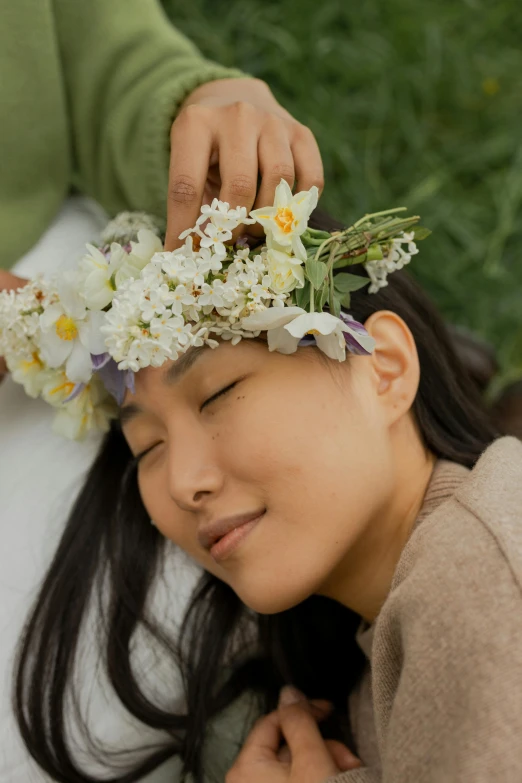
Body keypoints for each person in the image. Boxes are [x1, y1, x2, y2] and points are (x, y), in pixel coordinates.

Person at [9, 193, 522, 783]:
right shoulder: (391, 630)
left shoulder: (479, 585)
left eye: (218, 394)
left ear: (384, 367)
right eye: (148, 448)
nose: (183, 483)